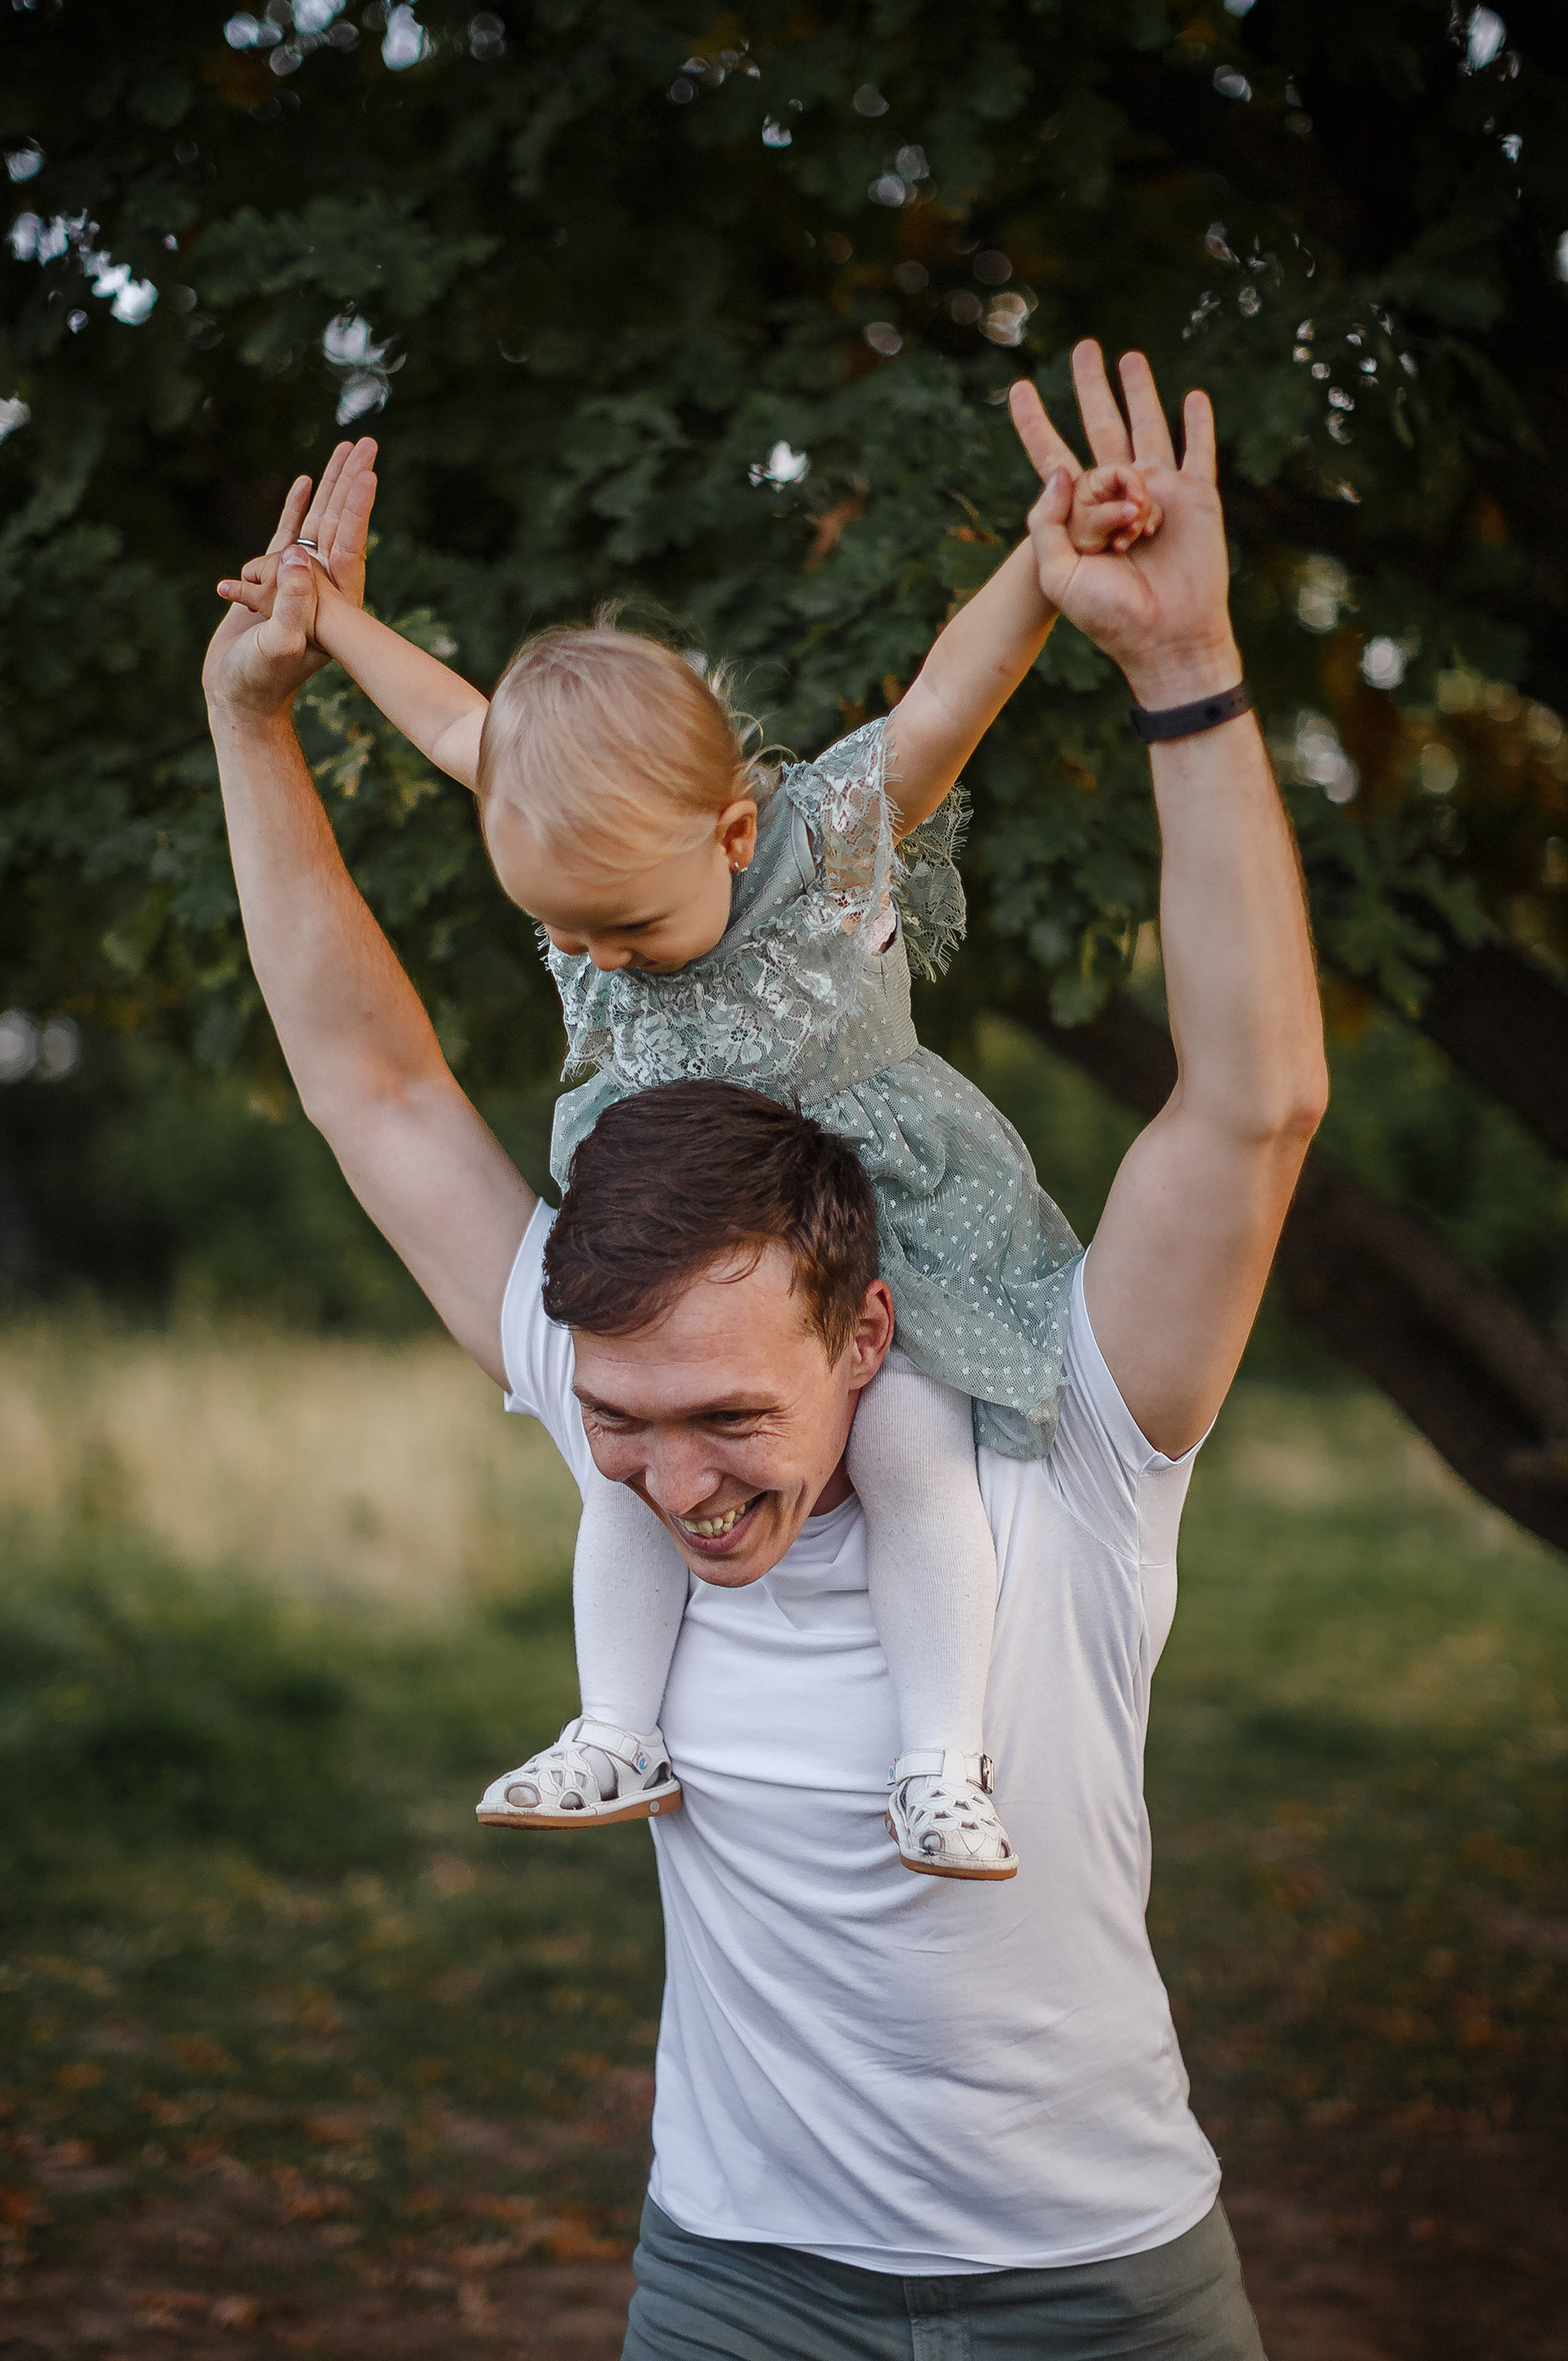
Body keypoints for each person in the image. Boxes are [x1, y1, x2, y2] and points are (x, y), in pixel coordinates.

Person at [204, 343, 1326, 2358]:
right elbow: (374, 1086)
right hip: (733, 2288)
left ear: (867, 1331)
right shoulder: (615, 1378)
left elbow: (1247, 1106)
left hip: (1095, 2293)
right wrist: (260, 719)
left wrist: (1182, 671)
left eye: (732, 1420)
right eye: (618, 1428)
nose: (675, 1480)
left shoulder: (1050, 1420)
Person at [216, 437, 1158, 1881]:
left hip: (866, 1225)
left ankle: (941, 1764)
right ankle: (616, 1726)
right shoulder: (579, 827)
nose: (597, 962)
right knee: (628, 1474)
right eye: (570, 935)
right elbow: (467, 730)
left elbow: (945, 703)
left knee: (908, 1443)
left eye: (627, 932)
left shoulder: (827, 842)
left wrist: (1042, 568)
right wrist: (327, 621)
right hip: (669, 1226)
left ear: (729, 833)